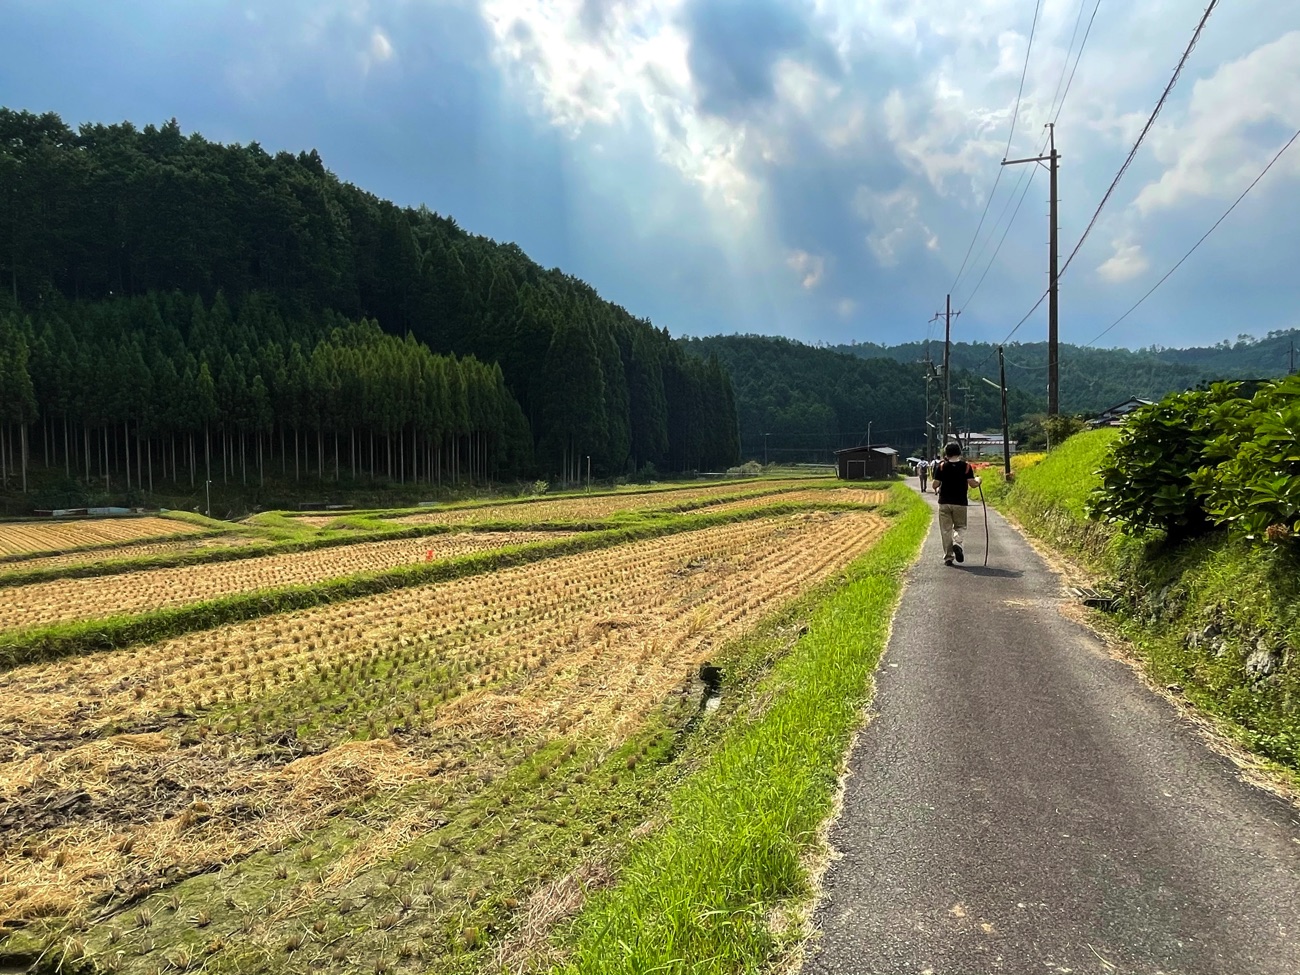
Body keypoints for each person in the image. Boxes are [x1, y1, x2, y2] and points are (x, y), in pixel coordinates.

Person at [931, 442, 981, 565]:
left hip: (944, 502)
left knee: (945, 530)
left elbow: (935, 485)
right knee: (960, 527)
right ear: (959, 452)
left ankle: (948, 557)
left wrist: (938, 487)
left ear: (946, 453)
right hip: (960, 503)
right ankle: (957, 543)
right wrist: (979, 480)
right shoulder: (966, 467)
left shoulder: (942, 466)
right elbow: (973, 484)